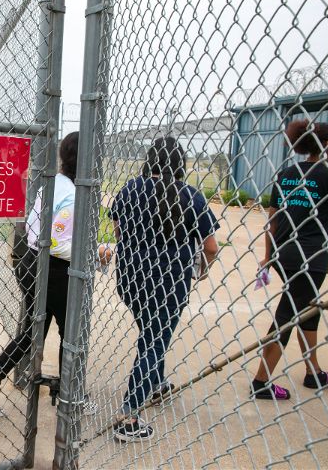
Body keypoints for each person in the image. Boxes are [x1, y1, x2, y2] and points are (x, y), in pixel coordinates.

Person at [0, 131, 104, 418]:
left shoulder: (55, 183)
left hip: (33, 263)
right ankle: (73, 396)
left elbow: (37, 230)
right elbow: (55, 242)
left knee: (33, 332)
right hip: (53, 269)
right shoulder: (71, 195)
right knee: (69, 334)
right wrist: (93, 254)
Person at [110, 136, 219, 442]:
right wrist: (202, 269)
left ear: (150, 160)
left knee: (150, 332)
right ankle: (128, 415)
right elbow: (211, 246)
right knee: (155, 340)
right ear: (180, 163)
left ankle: (154, 382)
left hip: (130, 279)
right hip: (170, 283)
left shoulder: (131, 188)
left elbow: (118, 232)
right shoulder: (191, 196)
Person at [251, 120, 328, 400]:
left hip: (283, 254)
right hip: (311, 258)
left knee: (306, 311)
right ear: (326, 145)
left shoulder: (287, 173)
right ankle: (261, 382)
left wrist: (267, 256)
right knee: (288, 316)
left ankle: (314, 373)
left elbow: (272, 221)